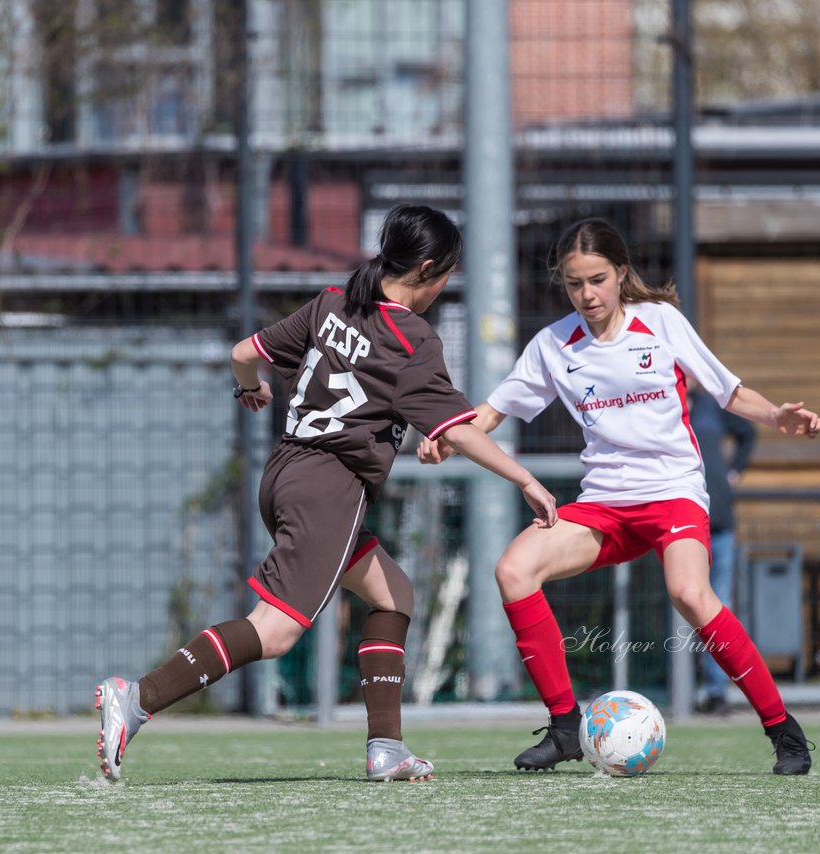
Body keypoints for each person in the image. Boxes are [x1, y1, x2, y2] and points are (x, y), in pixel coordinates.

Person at [96, 204, 558, 783]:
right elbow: (459, 430)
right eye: (449, 276)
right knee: (275, 631)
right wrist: (525, 479)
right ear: (432, 269)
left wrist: (251, 392)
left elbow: (245, 355)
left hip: (285, 472)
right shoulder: (411, 339)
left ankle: (386, 748)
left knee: (395, 596)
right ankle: (136, 698)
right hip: (329, 489)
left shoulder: (334, 301)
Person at [418, 218, 820, 775]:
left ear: (621, 274)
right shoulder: (553, 344)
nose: (587, 294)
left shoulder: (660, 322)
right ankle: (564, 728)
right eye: (574, 283)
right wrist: (449, 440)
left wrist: (777, 415)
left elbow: (728, 390)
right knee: (514, 570)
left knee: (689, 593)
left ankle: (785, 733)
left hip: (673, 493)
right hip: (603, 503)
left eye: (597, 280)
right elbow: (491, 412)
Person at [688, 387, 756, 715]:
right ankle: (681, 689)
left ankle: (716, 690)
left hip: (719, 522)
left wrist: (734, 472)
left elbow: (748, 432)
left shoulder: (709, 404)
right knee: (686, 604)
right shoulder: (657, 399)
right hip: (682, 527)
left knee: (719, 608)